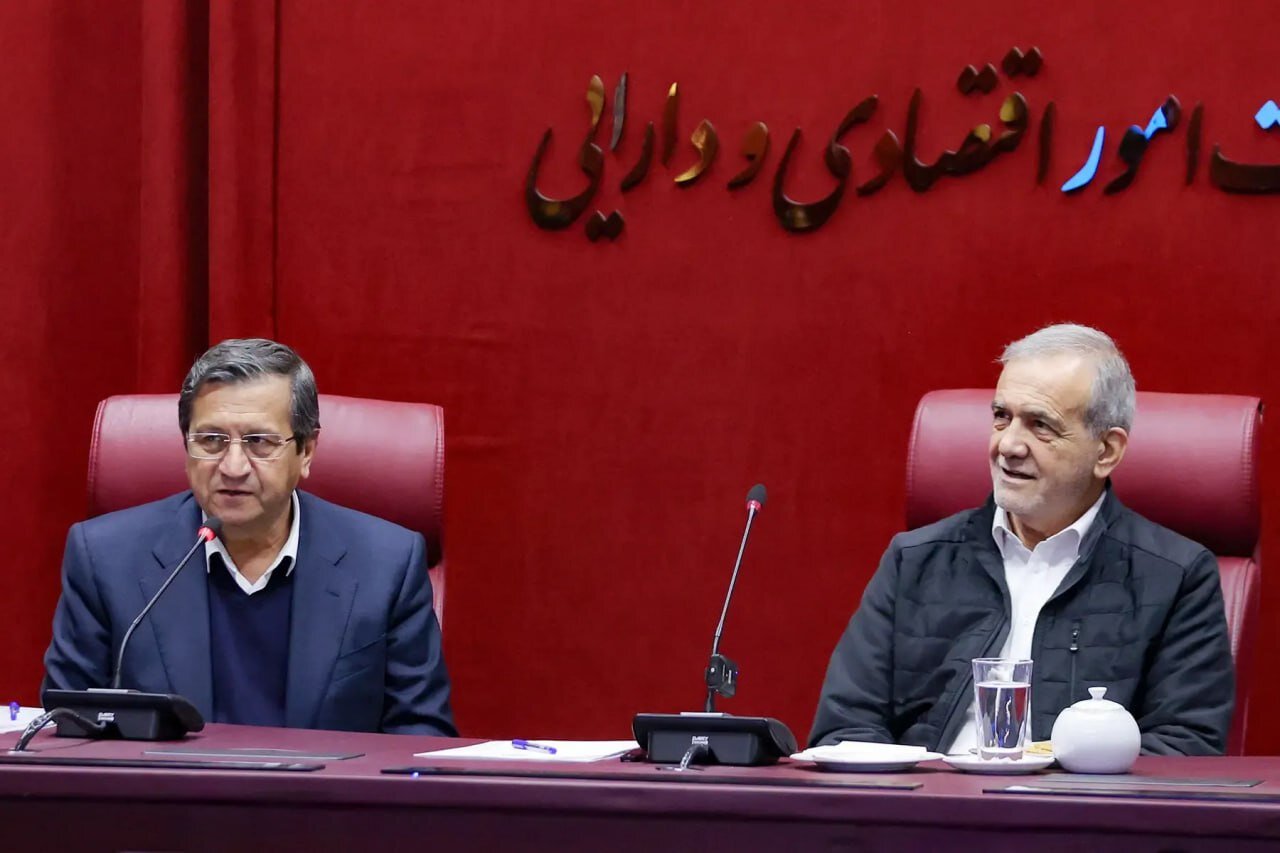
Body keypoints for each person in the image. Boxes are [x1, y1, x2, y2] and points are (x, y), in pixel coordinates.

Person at [809, 323, 1234, 756]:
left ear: (1106, 451)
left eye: (1040, 425)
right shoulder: (914, 562)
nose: (1008, 445)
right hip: (928, 796)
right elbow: (844, 731)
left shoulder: (1176, 578)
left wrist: (1052, 779)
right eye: (1001, 416)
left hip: (1079, 800)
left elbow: (1185, 749)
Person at [43, 339, 456, 735]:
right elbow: (66, 730)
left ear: (307, 451)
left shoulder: (386, 565)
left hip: (324, 787)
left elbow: (419, 740)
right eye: (211, 441)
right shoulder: (105, 559)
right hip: (168, 787)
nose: (233, 467)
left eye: (259, 442)